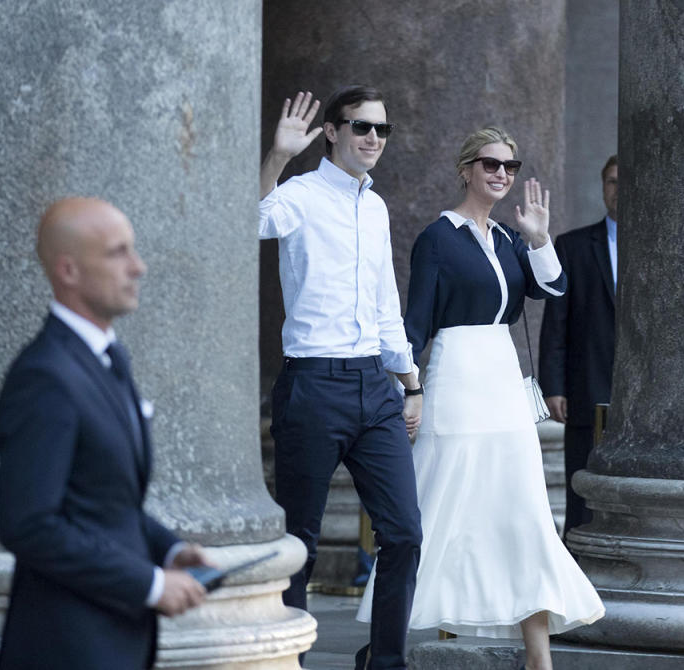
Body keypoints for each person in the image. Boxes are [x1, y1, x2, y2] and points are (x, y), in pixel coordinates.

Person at [358, 127, 604, 670]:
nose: (501, 175)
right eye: (490, 164)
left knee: (523, 514)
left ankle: (539, 660)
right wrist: (410, 389)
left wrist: (540, 238)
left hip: (502, 384)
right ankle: (383, 649)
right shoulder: (437, 238)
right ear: (466, 168)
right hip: (455, 380)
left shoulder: (510, 237)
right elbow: (414, 319)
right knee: (436, 507)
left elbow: (553, 289)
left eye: (510, 168)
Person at [0, 197, 210, 670]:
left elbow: (102, 501)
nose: (139, 267)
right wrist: (150, 584)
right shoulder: (44, 376)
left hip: (116, 639)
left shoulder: (109, 358)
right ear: (68, 271)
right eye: (117, 253)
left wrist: (167, 549)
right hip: (65, 645)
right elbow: (29, 525)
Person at [258, 88, 423, 670]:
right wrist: (277, 157)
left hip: (375, 388)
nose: (373, 138)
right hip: (313, 385)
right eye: (360, 126)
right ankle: (288, 661)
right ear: (332, 132)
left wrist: (410, 383)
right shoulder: (299, 195)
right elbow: (248, 222)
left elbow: (385, 305)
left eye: (381, 129)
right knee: (299, 542)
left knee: (403, 533)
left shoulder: (375, 207)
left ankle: (385, 662)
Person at [539, 155, 618, 541]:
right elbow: (557, 320)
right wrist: (553, 385)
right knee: (580, 493)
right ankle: (578, 566)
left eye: (627, 181)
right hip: (587, 390)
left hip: (642, 397)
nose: (620, 190)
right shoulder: (572, 246)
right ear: (603, 186)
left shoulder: (661, 248)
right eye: (613, 181)